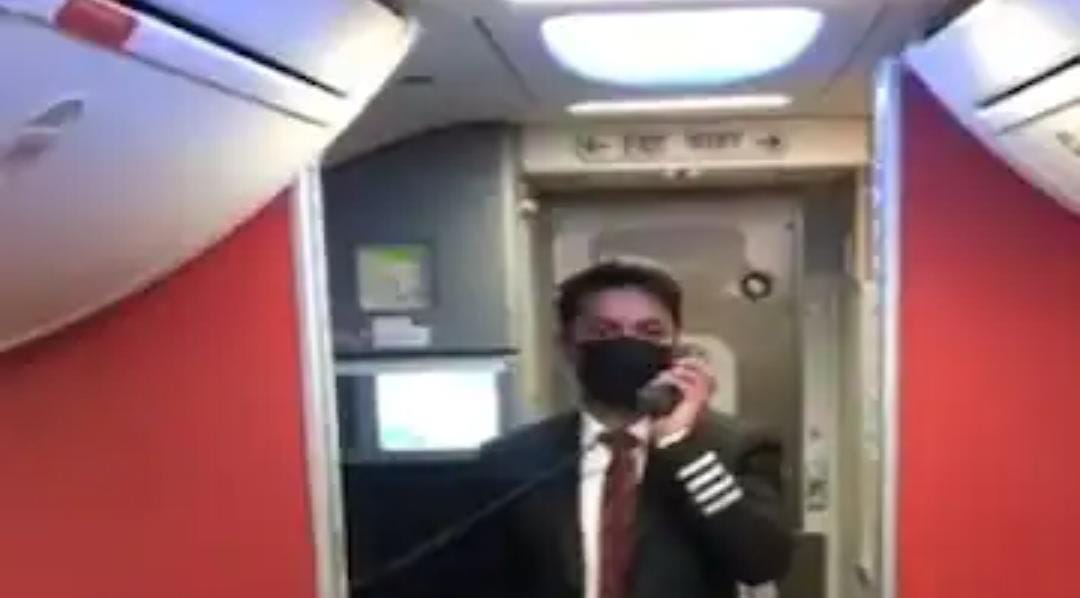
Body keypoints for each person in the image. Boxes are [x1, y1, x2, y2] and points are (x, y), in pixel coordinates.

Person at [365, 258, 792, 598]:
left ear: (676, 346)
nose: (628, 343)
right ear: (568, 346)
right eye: (605, 331)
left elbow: (761, 562)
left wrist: (680, 444)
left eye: (649, 331)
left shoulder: (735, 448)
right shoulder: (513, 461)